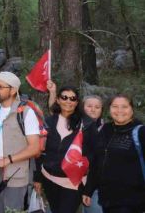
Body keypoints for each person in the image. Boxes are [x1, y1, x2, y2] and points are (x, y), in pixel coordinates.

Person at [0, 71, 41, 213]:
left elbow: (35, 148)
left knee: (12, 210)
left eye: (0, 87)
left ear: (13, 90)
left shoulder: (25, 112)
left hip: (15, 173)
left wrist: (7, 160)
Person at [35, 85, 96, 213]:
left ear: (77, 102)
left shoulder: (87, 124)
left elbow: (94, 157)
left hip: (73, 183)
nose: (68, 101)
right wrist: (38, 178)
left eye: (72, 98)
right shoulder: (48, 122)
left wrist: (88, 189)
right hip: (49, 179)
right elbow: (40, 151)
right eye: (64, 97)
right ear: (57, 100)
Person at [84, 94, 145, 213]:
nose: (119, 111)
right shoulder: (105, 130)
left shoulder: (141, 132)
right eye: (115, 106)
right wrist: (88, 190)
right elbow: (97, 162)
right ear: (109, 109)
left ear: (132, 109)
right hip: (108, 199)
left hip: (133, 201)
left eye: (124, 107)